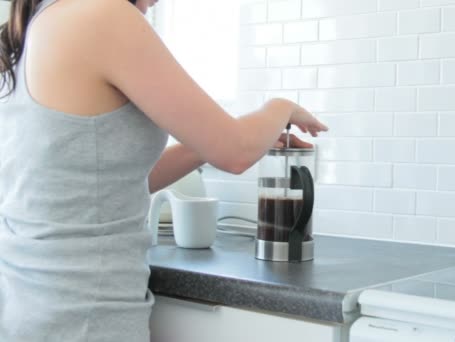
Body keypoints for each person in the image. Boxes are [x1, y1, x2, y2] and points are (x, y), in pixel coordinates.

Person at [0, 0, 328, 341]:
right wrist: (280, 106)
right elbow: (237, 152)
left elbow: (104, 184)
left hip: (32, 305)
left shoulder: (44, 20)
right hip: (82, 314)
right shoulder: (103, 14)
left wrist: (202, 147)